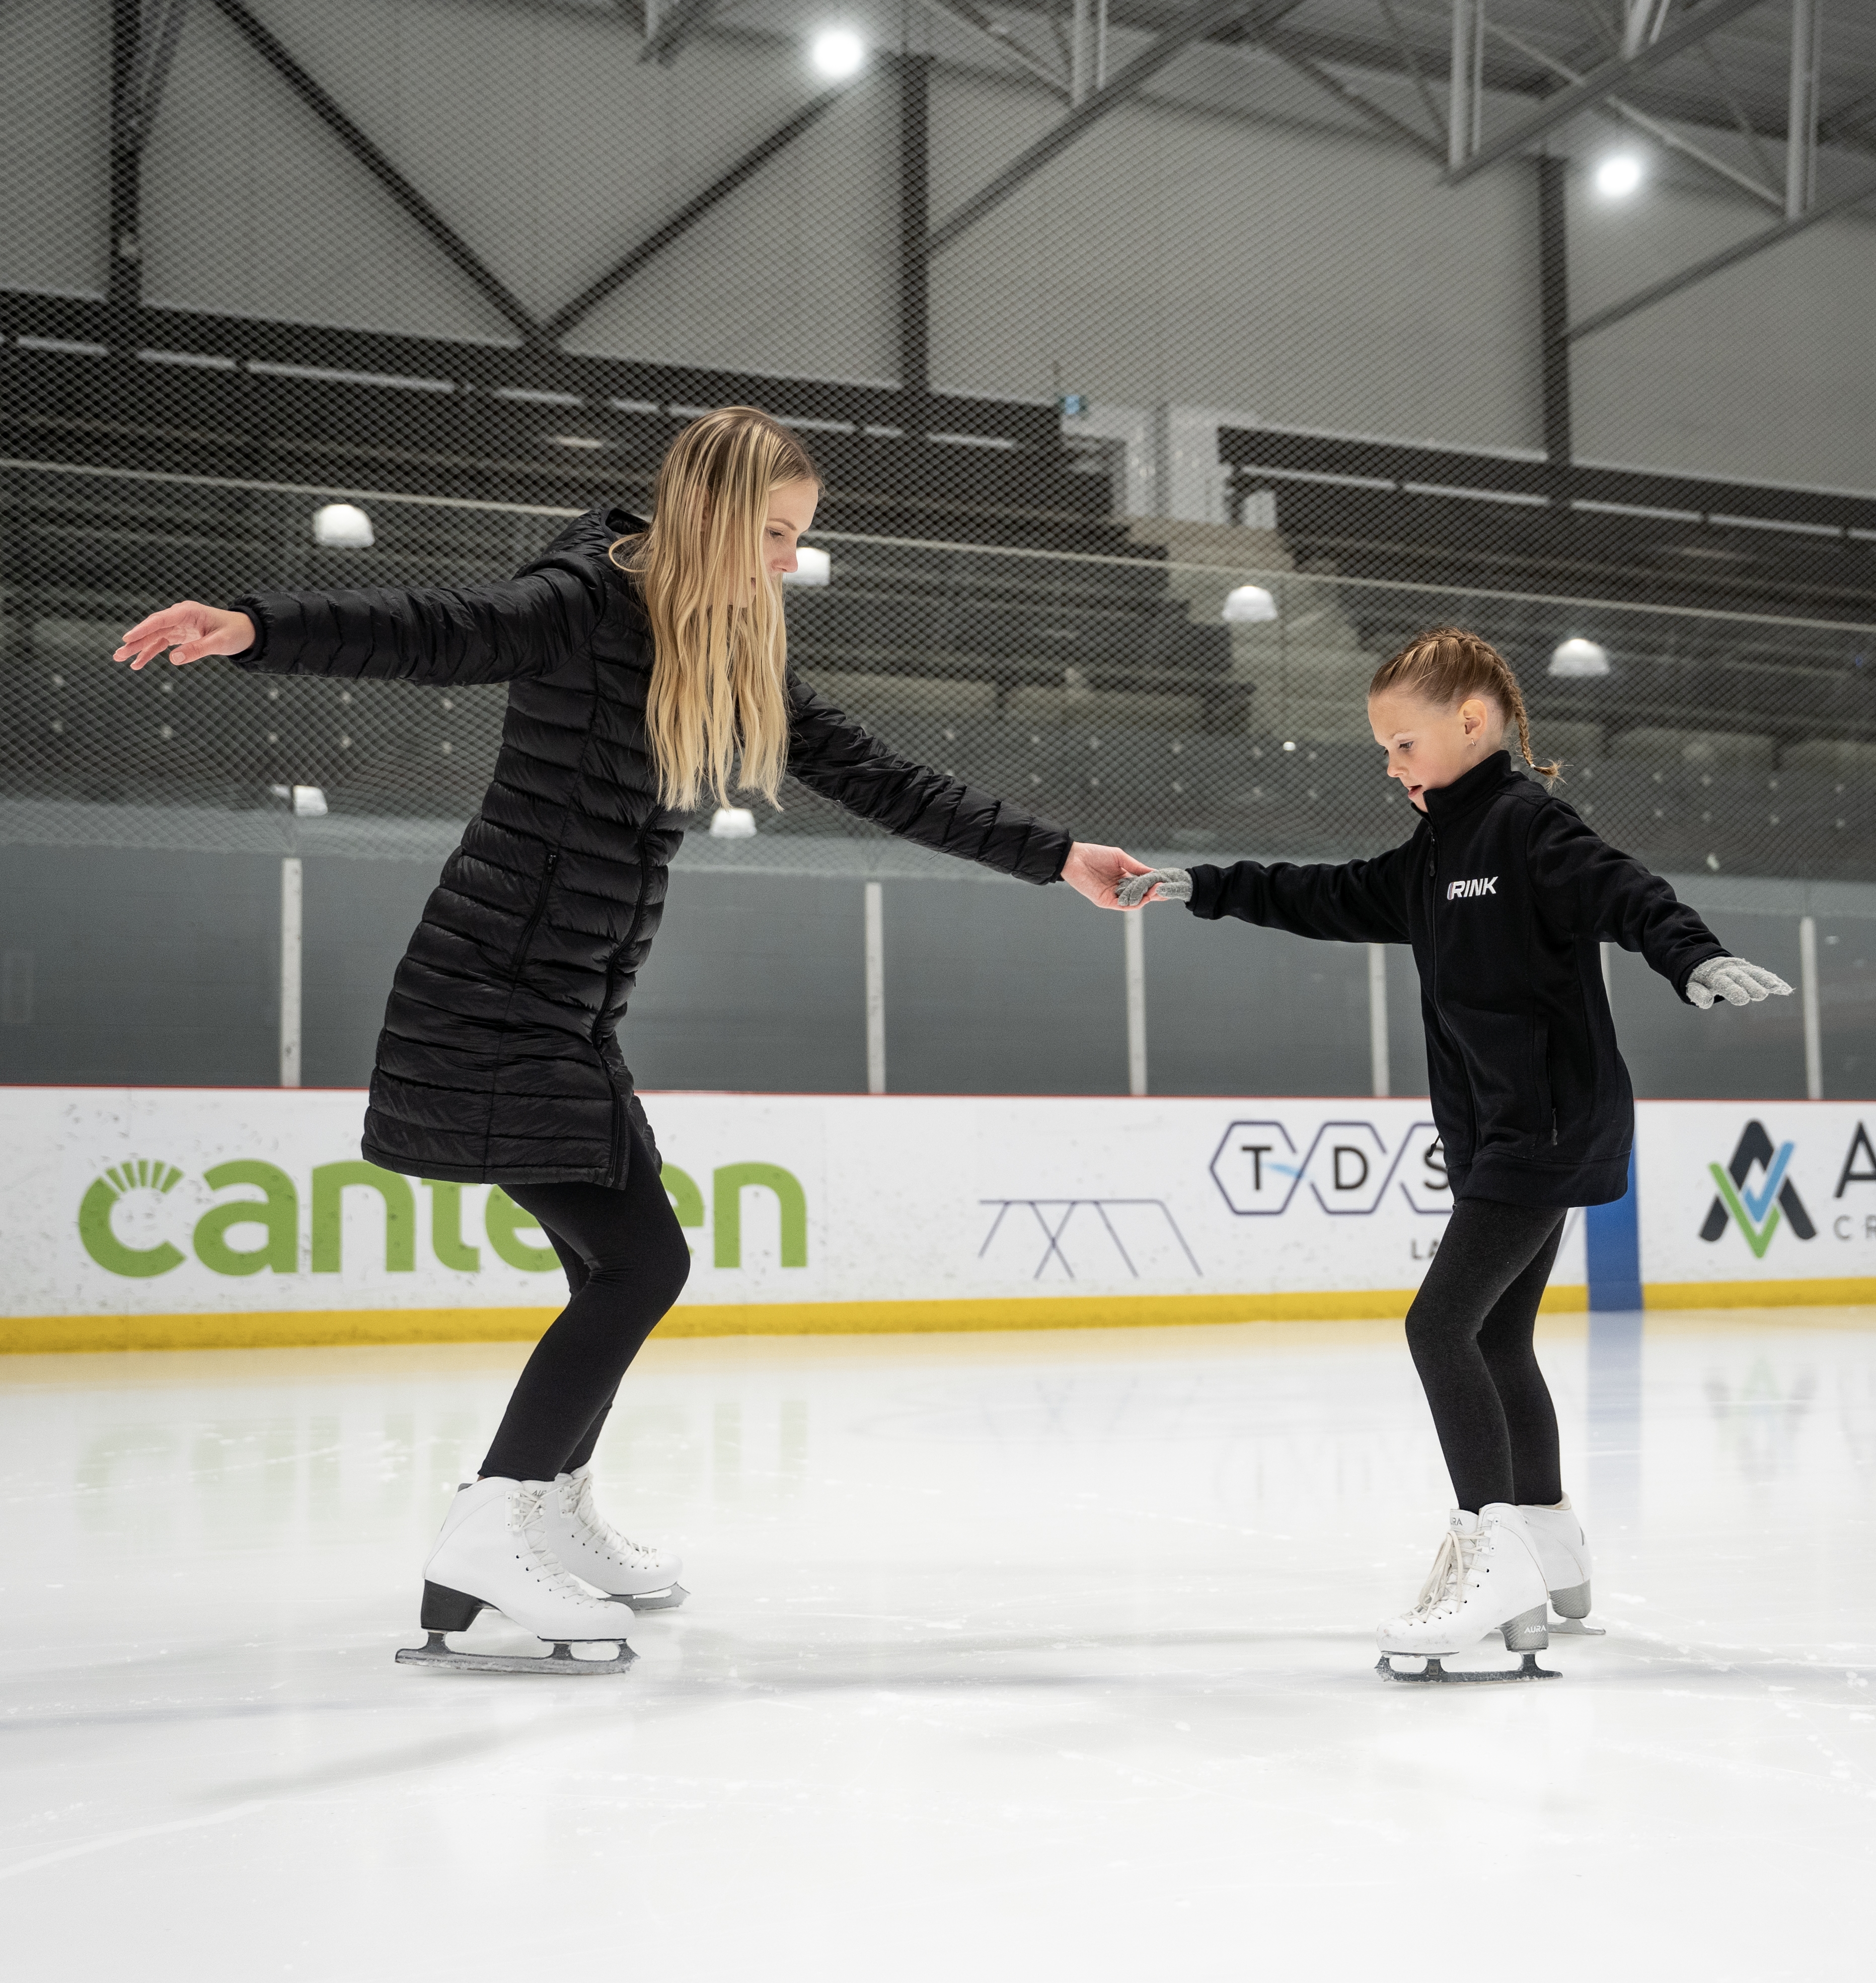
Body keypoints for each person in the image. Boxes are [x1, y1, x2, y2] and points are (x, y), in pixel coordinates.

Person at [115, 406, 1152, 1674]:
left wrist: (1057, 858)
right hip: (492, 990)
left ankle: (549, 1506)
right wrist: (259, 626)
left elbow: (880, 778)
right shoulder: (584, 596)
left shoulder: (722, 643)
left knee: (609, 1257)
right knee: (640, 1260)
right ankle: (490, 1524)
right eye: (773, 533)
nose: (786, 562)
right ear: (710, 511)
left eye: (798, 538)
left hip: (563, 1003)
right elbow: (447, 630)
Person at [1117, 627, 1791, 1682]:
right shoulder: (1432, 851)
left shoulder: (1526, 826)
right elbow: (1323, 894)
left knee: (1438, 1325)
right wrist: (1199, 883)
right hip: (1496, 1134)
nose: (1389, 766)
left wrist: (1690, 954)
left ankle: (1493, 1545)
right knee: (1496, 1336)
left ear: (1470, 722)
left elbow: (1626, 893)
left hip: (1547, 1124)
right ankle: (1550, 1536)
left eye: (1401, 743)